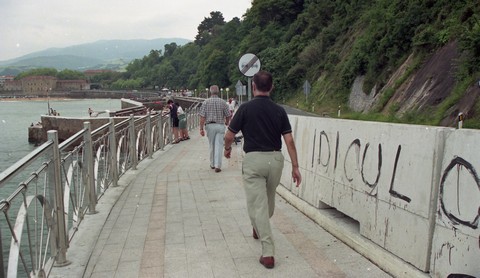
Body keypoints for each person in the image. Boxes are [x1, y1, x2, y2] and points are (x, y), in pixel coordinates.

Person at [223, 71, 302, 269]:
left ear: (253, 87)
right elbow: (289, 140)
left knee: (259, 205)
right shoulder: (279, 111)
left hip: (253, 161)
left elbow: (229, 135)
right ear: (272, 87)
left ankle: (267, 252)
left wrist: (226, 149)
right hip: (275, 160)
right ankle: (262, 235)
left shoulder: (245, 109)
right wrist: (295, 166)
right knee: (267, 203)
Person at [199, 85, 232, 172]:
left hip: (209, 126)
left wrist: (201, 129)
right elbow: (228, 115)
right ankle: (218, 165)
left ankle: (212, 164)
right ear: (217, 92)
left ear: (210, 92)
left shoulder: (206, 102)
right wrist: (227, 122)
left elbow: (202, 117)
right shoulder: (223, 102)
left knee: (211, 145)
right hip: (220, 125)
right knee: (219, 145)